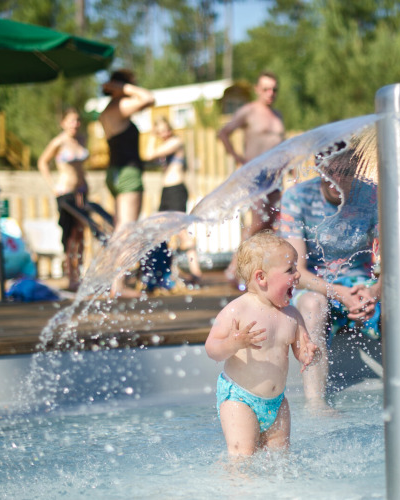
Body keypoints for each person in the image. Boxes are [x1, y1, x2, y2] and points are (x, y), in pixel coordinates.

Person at [278, 147, 381, 408]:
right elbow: (296, 272)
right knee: (313, 305)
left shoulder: (371, 196)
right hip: (315, 285)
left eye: (344, 172)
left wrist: (374, 292)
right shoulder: (298, 197)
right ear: (318, 167)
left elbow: (395, 262)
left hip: (361, 284)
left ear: (356, 168)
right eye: (329, 171)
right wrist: (339, 293)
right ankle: (316, 403)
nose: (336, 179)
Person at [205, 231, 318, 456]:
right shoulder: (238, 310)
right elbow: (212, 349)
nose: (297, 276)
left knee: (280, 458)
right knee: (243, 456)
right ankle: (237, 487)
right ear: (261, 278)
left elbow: (301, 351)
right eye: (290, 270)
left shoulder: (292, 315)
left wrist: (308, 353)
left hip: (276, 402)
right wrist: (233, 343)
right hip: (240, 398)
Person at [217, 71, 285, 287]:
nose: (270, 93)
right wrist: (238, 157)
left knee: (271, 222)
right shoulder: (249, 111)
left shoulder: (278, 115)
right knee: (257, 222)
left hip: (276, 175)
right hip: (256, 174)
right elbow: (223, 133)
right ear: (257, 89)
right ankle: (233, 268)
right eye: (266, 88)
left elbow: (281, 146)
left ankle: (257, 272)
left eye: (274, 89)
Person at [98, 69, 155, 296]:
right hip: (128, 173)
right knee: (126, 230)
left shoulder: (106, 112)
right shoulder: (120, 108)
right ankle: (117, 286)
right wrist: (123, 88)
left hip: (113, 173)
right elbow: (149, 98)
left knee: (120, 228)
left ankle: (114, 283)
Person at [142, 116, 203, 285]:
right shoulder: (164, 144)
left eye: (165, 130)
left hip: (176, 190)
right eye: (160, 131)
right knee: (162, 231)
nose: (163, 133)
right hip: (166, 191)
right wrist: (153, 136)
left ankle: (196, 271)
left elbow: (149, 155)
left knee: (181, 230)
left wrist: (152, 136)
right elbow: (148, 155)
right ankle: (168, 270)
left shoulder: (176, 142)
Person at [37, 107, 90, 292]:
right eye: (71, 120)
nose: (75, 124)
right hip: (65, 192)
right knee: (69, 236)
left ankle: (80, 274)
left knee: (81, 233)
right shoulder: (59, 142)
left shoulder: (82, 140)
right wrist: (53, 187)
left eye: (77, 120)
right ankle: (71, 277)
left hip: (81, 192)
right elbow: (42, 162)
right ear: (63, 123)